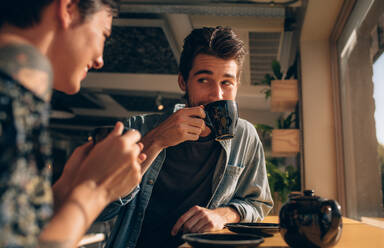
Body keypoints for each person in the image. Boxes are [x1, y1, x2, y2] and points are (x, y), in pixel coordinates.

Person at [100, 26, 273, 248]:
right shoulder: (138, 128)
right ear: (183, 82)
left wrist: (223, 215)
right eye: (204, 80)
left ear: (236, 85)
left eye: (226, 83)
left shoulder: (245, 136)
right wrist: (156, 141)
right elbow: (105, 208)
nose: (216, 95)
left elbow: (258, 203)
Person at [0, 1, 147, 248]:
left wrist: (69, 185)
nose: (100, 59)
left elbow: (19, 229)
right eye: (104, 34)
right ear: (68, 8)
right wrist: (97, 189)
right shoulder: (13, 94)